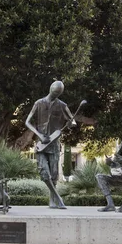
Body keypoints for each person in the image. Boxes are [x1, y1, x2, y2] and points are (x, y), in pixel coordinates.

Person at [25, 81, 75, 209]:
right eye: (54, 92)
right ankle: (57, 198)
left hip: (54, 144)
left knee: (54, 173)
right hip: (41, 144)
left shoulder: (62, 105)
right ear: (50, 89)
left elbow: (72, 122)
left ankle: (53, 200)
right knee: (44, 172)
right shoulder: (39, 103)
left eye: (58, 93)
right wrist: (39, 135)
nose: (56, 95)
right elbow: (28, 122)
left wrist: (70, 124)